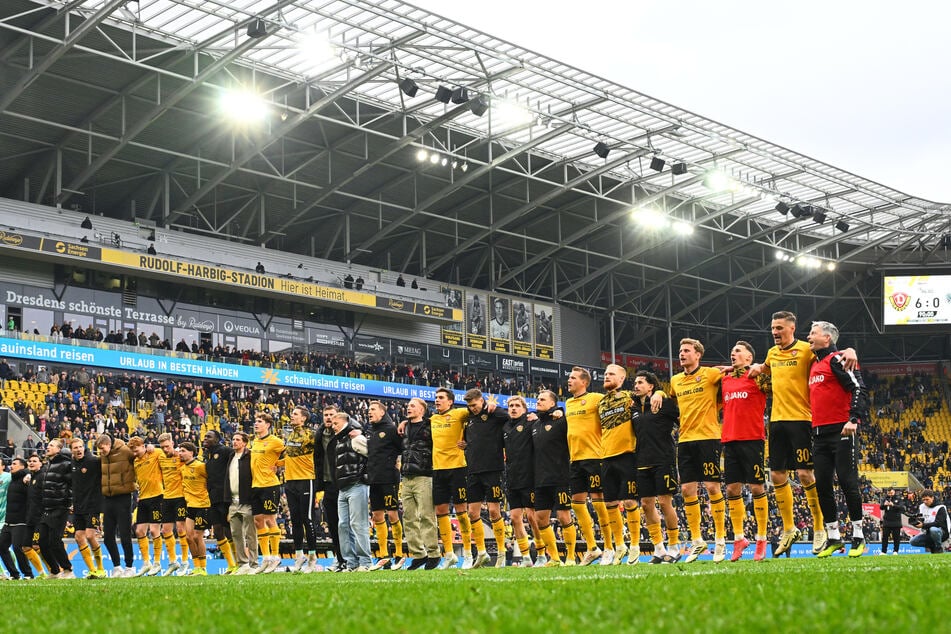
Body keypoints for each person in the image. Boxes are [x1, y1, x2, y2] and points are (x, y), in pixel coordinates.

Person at [748, 310, 857, 556]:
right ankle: (789, 528)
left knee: (805, 474)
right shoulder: (772, 353)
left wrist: (850, 350)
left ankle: (820, 527)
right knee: (776, 474)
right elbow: (766, 368)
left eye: (779, 328)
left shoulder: (807, 350)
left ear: (791, 329)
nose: (775, 332)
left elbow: (832, 352)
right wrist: (755, 367)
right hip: (776, 420)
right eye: (773, 328)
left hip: (802, 419)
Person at [807, 321, 870, 558]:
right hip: (819, 434)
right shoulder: (814, 364)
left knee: (847, 482)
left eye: (813, 333)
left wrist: (853, 419)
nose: (809, 336)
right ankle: (833, 539)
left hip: (842, 431)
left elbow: (858, 388)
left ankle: (858, 537)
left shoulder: (837, 359)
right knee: (822, 484)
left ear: (827, 338)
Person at [669, 338, 727, 563]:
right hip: (684, 440)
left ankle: (720, 539)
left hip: (708, 437)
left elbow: (726, 389)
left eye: (686, 351)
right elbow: (673, 402)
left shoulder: (711, 374)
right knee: (687, 490)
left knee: (712, 486)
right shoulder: (675, 381)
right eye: (680, 351)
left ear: (698, 354)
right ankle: (697, 541)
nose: (681, 354)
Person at [720, 341, 771, 562]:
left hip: (752, 439)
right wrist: (731, 369)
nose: (733, 354)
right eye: (731, 352)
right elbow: (711, 372)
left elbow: (774, 373)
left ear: (749, 358)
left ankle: (761, 538)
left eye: (738, 351)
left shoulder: (757, 378)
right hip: (729, 439)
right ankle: (739, 538)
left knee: (756, 486)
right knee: (731, 489)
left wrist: (760, 366)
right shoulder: (726, 380)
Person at [631, 371, 682, 564]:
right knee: (645, 504)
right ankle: (659, 549)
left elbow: (682, 419)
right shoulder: (633, 407)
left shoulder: (665, 404)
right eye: (635, 382)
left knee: (664, 502)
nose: (636, 385)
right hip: (642, 461)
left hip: (664, 459)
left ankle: (674, 547)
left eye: (641, 382)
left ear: (651, 386)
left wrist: (660, 394)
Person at [597, 364, 642, 565]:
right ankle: (620, 545)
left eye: (611, 374)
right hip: (606, 457)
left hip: (627, 455)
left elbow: (652, 392)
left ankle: (634, 545)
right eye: (605, 373)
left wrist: (658, 391)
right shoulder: (599, 403)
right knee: (610, 504)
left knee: (631, 502)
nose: (606, 376)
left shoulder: (629, 397)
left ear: (622, 379)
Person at [564, 366, 609, 565]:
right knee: (576, 502)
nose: (569, 380)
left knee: (599, 501)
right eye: (569, 378)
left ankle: (609, 546)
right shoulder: (567, 403)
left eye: (573, 378)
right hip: (575, 459)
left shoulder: (596, 399)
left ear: (584, 382)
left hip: (594, 456)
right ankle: (592, 547)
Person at [461, 388, 508, 569]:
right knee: (472, 513)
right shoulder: (469, 421)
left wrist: (495, 407)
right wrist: (465, 445)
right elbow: (470, 441)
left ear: (482, 401)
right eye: (469, 405)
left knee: (494, 512)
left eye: (474, 405)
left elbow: (509, 418)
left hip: (493, 470)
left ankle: (502, 553)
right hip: (473, 471)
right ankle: (482, 553)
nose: (472, 408)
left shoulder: (493, 413)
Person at [427, 387, 472, 569]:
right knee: (441, 511)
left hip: (457, 468)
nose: (437, 400)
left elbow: (478, 415)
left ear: (450, 401)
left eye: (441, 398)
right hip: (438, 469)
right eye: (436, 398)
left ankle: (468, 553)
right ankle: (449, 554)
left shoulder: (460, 414)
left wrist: (468, 441)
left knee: (461, 510)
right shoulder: (432, 419)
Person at [531, 389, 574, 566]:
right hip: (540, 478)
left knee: (564, 516)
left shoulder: (561, 420)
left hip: (560, 476)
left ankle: (571, 557)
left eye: (542, 399)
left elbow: (572, 418)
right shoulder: (534, 425)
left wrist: (562, 411)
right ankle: (555, 558)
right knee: (541, 518)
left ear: (553, 403)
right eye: (537, 398)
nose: (538, 401)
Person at [399, 397, 440, 570]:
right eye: (408, 406)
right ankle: (418, 554)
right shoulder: (404, 427)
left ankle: (434, 553)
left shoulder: (430, 425)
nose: (409, 408)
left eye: (412, 406)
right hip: (406, 477)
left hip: (424, 476)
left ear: (422, 410)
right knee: (408, 518)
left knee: (426, 516)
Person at [365, 401, 405, 570]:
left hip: (389, 479)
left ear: (382, 412)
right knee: (377, 516)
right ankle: (384, 556)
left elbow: (402, 449)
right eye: (368, 410)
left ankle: (399, 554)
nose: (369, 412)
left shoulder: (391, 429)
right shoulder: (369, 432)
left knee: (393, 515)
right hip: (374, 480)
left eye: (373, 409)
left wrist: (395, 465)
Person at [331, 411, 371, 571]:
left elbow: (373, 456)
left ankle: (365, 562)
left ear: (346, 422)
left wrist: (364, 476)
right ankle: (351, 563)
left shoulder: (357, 438)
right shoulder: (340, 440)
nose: (333, 426)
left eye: (336, 423)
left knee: (358, 524)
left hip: (357, 485)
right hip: (343, 488)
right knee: (343, 525)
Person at [282, 406, 320, 573]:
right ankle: (299, 556)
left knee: (307, 519)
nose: (292, 416)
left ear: (304, 418)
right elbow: (289, 457)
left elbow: (320, 455)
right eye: (292, 414)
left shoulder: (311, 435)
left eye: (296, 414)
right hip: (290, 481)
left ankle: (312, 557)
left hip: (306, 480)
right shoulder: (289, 434)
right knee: (295, 520)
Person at [502, 395, 538, 566]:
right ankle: (525, 557)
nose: (513, 408)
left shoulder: (531, 422)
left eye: (517, 405)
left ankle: (542, 553)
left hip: (530, 477)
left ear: (524, 409)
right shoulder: (505, 427)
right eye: (510, 406)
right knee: (515, 518)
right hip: (512, 477)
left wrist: (537, 416)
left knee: (532, 517)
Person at [250, 411, 286, 574]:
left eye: (259, 421)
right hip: (255, 485)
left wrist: (279, 463)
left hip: (270, 485)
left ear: (268, 425)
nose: (256, 424)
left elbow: (292, 455)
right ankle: (265, 557)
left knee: (270, 519)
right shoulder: (255, 441)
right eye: (255, 421)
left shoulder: (276, 441)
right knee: (258, 520)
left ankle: (275, 556)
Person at [97, 433, 136, 577]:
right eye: (99, 450)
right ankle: (117, 566)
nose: (101, 452)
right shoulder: (102, 456)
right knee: (107, 537)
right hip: (108, 498)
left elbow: (139, 457)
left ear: (108, 444)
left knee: (125, 535)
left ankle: (130, 567)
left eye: (102, 449)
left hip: (124, 497)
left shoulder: (125, 451)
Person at [201, 429, 237, 573]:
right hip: (212, 498)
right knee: (217, 531)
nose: (205, 438)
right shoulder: (207, 455)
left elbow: (239, 458)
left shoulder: (225, 451)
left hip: (225, 497)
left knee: (229, 530)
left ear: (217, 439)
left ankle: (240, 563)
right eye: (204, 436)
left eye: (208, 437)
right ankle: (231, 565)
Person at [37, 439, 75, 578]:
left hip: (60, 507)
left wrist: (68, 501)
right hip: (47, 508)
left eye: (51, 445)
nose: (48, 447)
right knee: (42, 542)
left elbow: (73, 485)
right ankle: (54, 571)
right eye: (48, 445)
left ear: (59, 449)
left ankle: (68, 570)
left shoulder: (66, 464)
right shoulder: (48, 465)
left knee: (54, 541)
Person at [128, 436, 164, 576]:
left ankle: (157, 563)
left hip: (157, 496)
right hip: (143, 499)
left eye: (136, 450)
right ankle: (146, 563)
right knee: (139, 531)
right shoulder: (135, 461)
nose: (135, 453)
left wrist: (153, 447)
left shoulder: (154, 453)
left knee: (155, 531)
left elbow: (167, 452)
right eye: (133, 451)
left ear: (143, 446)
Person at [69, 437, 105, 578]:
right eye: (75, 448)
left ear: (84, 447)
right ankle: (92, 570)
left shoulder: (94, 461)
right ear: (71, 450)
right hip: (78, 507)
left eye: (80, 447)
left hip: (93, 505)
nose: (78, 450)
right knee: (79, 537)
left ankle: (101, 569)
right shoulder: (71, 464)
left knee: (90, 536)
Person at [315, 405, 345, 571]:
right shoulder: (320, 434)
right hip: (327, 485)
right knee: (333, 524)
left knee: (345, 523)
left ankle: (351, 558)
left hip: (342, 483)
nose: (328, 418)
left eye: (331, 415)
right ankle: (340, 559)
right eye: (325, 415)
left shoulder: (344, 433)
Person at [225, 432, 259, 575]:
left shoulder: (250, 456)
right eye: (233, 439)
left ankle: (254, 564)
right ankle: (242, 563)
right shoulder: (231, 457)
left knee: (251, 534)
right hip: (233, 502)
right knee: (236, 534)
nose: (234, 442)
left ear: (245, 443)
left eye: (238, 440)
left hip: (247, 501)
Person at [157, 432, 188, 576]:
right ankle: (173, 561)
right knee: (165, 530)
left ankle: (185, 561)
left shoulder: (180, 456)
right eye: (163, 447)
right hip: (167, 497)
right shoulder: (160, 456)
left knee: (181, 528)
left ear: (172, 444)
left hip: (181, 497)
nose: (165, 449)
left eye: (167, 446)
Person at [177, 442, 210, 575]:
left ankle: (203, 567)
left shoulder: (201, 466)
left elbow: (211, 481)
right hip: (190, 506)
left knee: (197, 536)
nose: (180, 453)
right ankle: (196, 566)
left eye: (183, 451)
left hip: (203, 505)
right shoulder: (182, 468)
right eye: (180, 451)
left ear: (191, 452)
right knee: (189, 537)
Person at [0, 458, 34, 579]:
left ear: (22, 466)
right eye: (11, 463)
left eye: (14, 464)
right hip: (8, 522)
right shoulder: (11, 479)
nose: (11, 465)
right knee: (2, 547)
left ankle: (28, 574)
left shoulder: (26, 480)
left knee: (17, 548)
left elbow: (30, 471)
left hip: (21, 521)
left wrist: (28, 473)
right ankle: (14, 574)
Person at [880, 488, 904, 555]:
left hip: (896, 521)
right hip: (887, 521)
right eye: (889, 493)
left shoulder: (899, 499)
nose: (890, 494)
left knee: (896, 537)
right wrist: (884, 505)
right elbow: (881, 507)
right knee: (885, 537)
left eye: (891, 493)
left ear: (894, 492)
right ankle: (883, 551)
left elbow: (902, 508)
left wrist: (893, 505)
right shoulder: (885, 498)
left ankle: (895, 551)